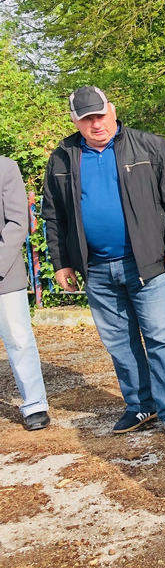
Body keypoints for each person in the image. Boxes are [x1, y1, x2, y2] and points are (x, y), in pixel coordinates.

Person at [41, 86, 165, 439]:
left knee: (161, 339)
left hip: (148, 264)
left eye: (100, 115)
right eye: (87, 119)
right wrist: (62, 263)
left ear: (112, 110)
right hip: (96, 269)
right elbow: (54, 216)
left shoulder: (149, 146)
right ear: (75, 121)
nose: (96, 124)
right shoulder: (62, 158)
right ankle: (141, 404)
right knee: (120, 343)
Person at [0, 155, 49, 430]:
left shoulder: (5, 167)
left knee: (18, 339)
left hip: (3, 274)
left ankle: (35, 405)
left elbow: (17, 223)